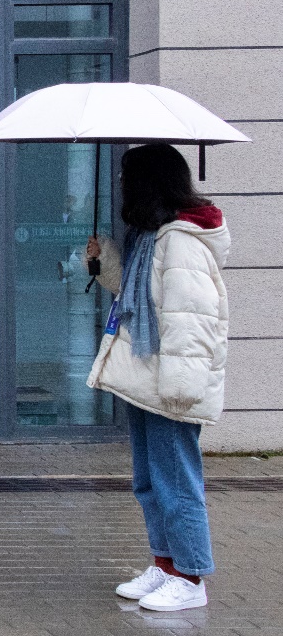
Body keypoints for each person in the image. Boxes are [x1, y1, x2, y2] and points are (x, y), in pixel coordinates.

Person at [84, 143, 229, 612]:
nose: (122, 187)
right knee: (150, 481)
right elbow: (139, 296)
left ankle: (191, 576)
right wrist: (106, 259)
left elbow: (192, 322)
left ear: (148, 184)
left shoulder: (181, 241)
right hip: (147, 379)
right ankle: (166, 566)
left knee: (176, 482)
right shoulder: (151, 236)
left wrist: (181, 390)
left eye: (127, 178)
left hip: (170, 385)